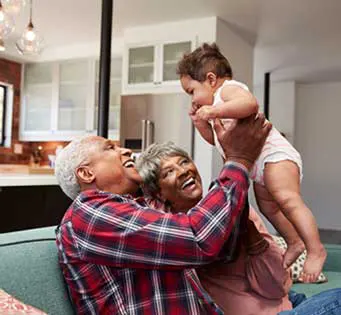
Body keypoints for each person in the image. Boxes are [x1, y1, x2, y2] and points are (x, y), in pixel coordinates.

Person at [54, 114, 271, 315]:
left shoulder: (137, 207)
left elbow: (222, 251)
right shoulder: (88, 213)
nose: (126, 151)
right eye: (110, 148)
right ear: (86, 173)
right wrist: (238, 161)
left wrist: (230, 154)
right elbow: (198, 239)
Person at [177, 42, 326, 283]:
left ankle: (316, 249)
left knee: (287, 199)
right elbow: (215, 141)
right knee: (270, 208)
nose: (192, 98)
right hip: (258, 166)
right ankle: (294, 242)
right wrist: (200, 123)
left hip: (274, 156)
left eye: (191, 90)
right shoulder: (216, 107)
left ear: (211, 79)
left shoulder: (227, 92)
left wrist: (213, 112)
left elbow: (250, 104)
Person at [136, 141, 341, 315]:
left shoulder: (232, 206)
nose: (183, 171)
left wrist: (249, 231)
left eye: (184, 162)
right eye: (168, 172)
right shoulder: (169, 230)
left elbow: (277, 286)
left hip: (285, 301)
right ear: (159, 193)